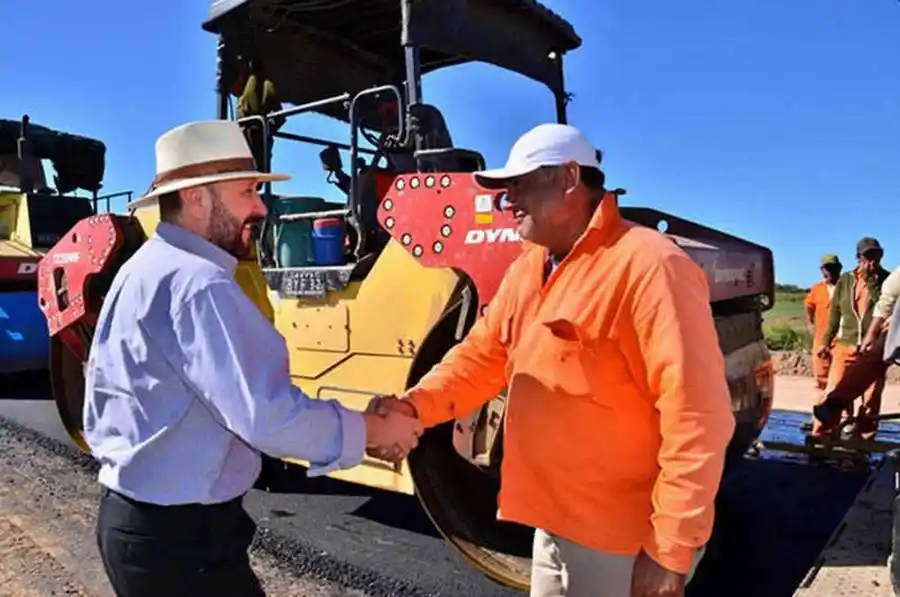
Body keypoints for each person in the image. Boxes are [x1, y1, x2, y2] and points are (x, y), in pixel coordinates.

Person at [369, 123, 736, 597]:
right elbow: (482, 357)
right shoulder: (531, 267)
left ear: (568, 178)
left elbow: (698, 416)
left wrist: (671, 549)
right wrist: (414, 407)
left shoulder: (648, 266)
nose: (508, 201)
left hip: (620, 539)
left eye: (521, 184)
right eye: (505, 189)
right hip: (551, 525)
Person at [84, 120, 422, 597]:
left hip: (147, 527)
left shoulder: (145, 269)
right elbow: (268, 416)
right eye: (246, 192)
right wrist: (376, 430)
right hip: (181, 545)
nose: (261, 207)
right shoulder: (199, 284)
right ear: (198, 198)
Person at [813, 237, 891, 440]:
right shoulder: (845, 281)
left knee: (871, 398)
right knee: (834, 390)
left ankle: (864, 441)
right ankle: (822, 435)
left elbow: (885, 307)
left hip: (873, 348)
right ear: (858, 258)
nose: (872, 261)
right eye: (867, 256)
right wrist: (825, 342)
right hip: (845, 344)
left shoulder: (888, 281)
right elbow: (834, 315)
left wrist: (872, 282)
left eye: (876, 255)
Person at [804, 254, 842, 391]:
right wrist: (809, 325)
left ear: (839, 268)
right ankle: (821, 410)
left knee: (843, 380)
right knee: (821, 379)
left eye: (831, 268)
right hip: (821, 340)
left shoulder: (847, 288)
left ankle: (844, 412)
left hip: (842, 341)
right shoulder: (817, 289)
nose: (828, 271)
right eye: (825, 269)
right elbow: (808, 307)